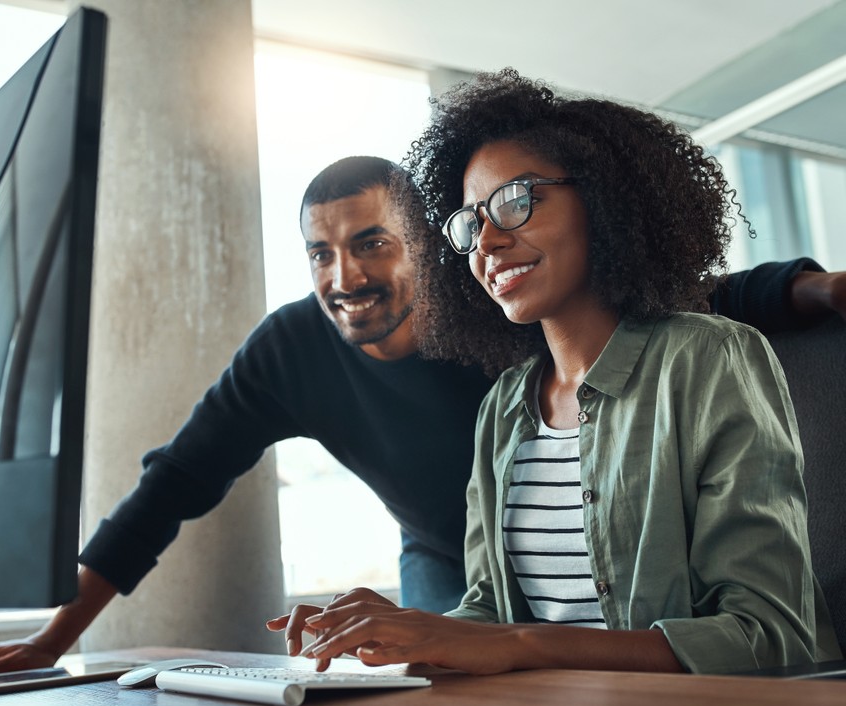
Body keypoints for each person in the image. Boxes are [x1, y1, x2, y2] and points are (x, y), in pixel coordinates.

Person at [0, 151, 844, 687]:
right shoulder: (290, 350)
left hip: (618, 546)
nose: (345, 279)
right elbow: (172, 483)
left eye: (373, 245)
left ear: (429, 249)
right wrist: (57, 640)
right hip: (453, 557)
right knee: (427, 696)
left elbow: (684, 302)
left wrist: (817, 288)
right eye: (320, 254)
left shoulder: (500, 304)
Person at [267, 71, 843, 675]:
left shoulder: (710, 359)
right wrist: (397, 633)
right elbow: (490, 614)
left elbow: (769, 638)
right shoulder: (504, 406)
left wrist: (523, 645)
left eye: (517, 201)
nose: (487, 240)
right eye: (470, 223)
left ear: (601, 198)